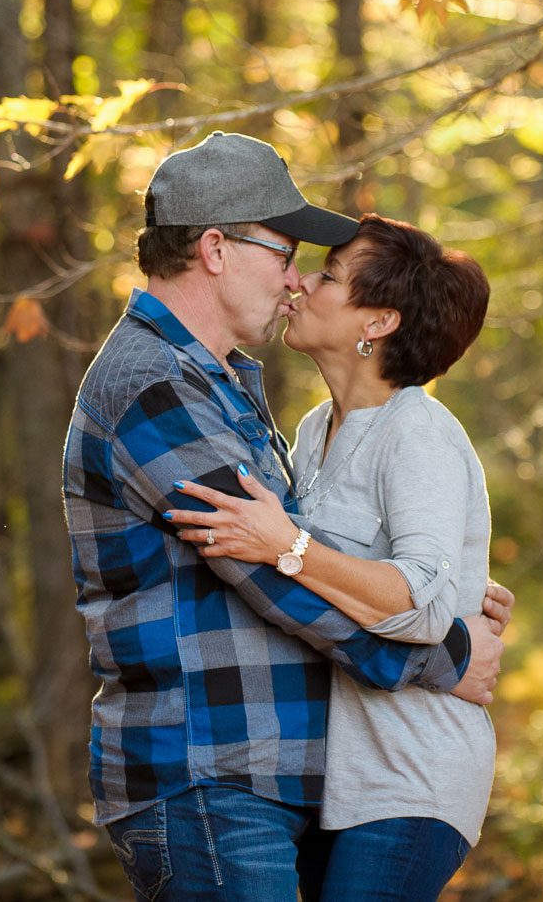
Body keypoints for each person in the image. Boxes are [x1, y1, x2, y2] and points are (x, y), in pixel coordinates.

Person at [62, 133, 508, 902]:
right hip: (203, 768)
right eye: (284, 252)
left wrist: (447, 593)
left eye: (317, 267)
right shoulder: (157, 387)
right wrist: (446, 655)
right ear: (214, 248)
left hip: (277, 775)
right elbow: (273, 578)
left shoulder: (227, 385)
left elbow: (308, 553)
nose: (295, 278)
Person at [164, 214, 495, 901]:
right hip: (334, 780)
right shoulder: (314, 431)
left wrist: (286, 543)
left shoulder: (418, 432)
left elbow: (424, 601)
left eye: (329, 275)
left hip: (412, 777)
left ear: (377, 322)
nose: (300, 281)